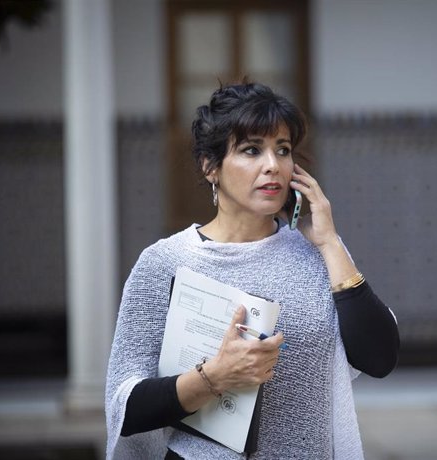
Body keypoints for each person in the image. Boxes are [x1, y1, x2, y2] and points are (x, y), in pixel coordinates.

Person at [105, 82, 400, 460]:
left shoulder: (318, 253)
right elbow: (125, 406)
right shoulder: (165, 262)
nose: (272, 165)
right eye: (251, 150)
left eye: (283, 150)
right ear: (210, 167)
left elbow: (379, 357)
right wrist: (214, 376)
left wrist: (328, 243)